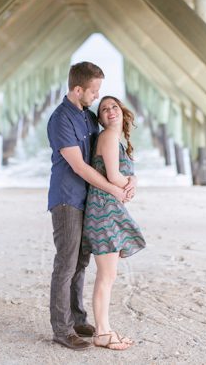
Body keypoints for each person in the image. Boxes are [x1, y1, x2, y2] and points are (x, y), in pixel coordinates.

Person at [47, 62, 136, 350]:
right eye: (94, 90)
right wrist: (115, 190)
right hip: (68, 198)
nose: (97, 97)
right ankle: (62, 329)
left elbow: (108, 156)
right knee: (66, 263)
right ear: (77, 89)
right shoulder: (61, 119)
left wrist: (131, 178)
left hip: (90, 199)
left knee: (81, 263)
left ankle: (78, 318)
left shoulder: (86, 117)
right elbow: (80, 167)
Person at [82, 96, 146, 350]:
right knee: (106, 276)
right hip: (104, 211)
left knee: (108, 274)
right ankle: (102, 333)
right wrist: (130, 185)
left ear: (122, 111)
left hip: (107, 208)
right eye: (104, 109)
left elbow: (119, 175)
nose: (110, 111)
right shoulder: (108, 136)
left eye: (114, 107)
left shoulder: (114, 139)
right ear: (100, 118)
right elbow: (113, 175)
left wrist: (133, 181)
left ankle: (104, 330)